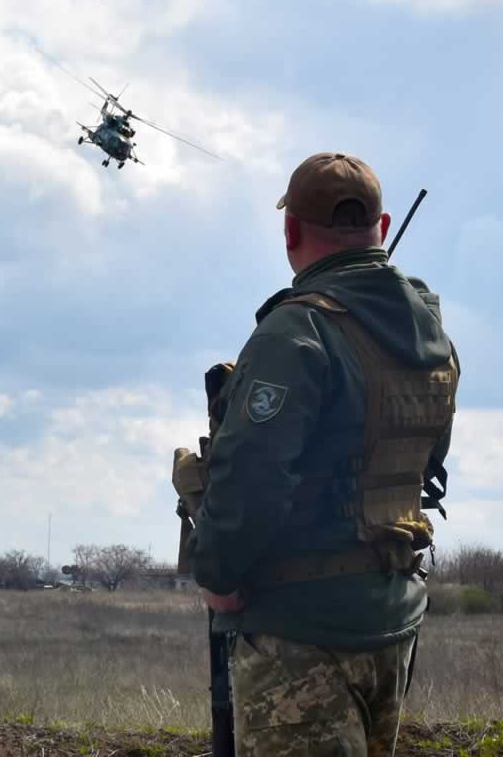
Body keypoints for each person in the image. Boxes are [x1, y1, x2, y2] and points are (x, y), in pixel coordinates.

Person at [183, 152, 460, 756]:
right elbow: (429, 458)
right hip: (391, 619)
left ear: (291, 232)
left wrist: (220, 575)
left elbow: (253, 474)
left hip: (299, 630)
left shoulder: (296, 332)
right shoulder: (430, 336)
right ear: (381, 230)